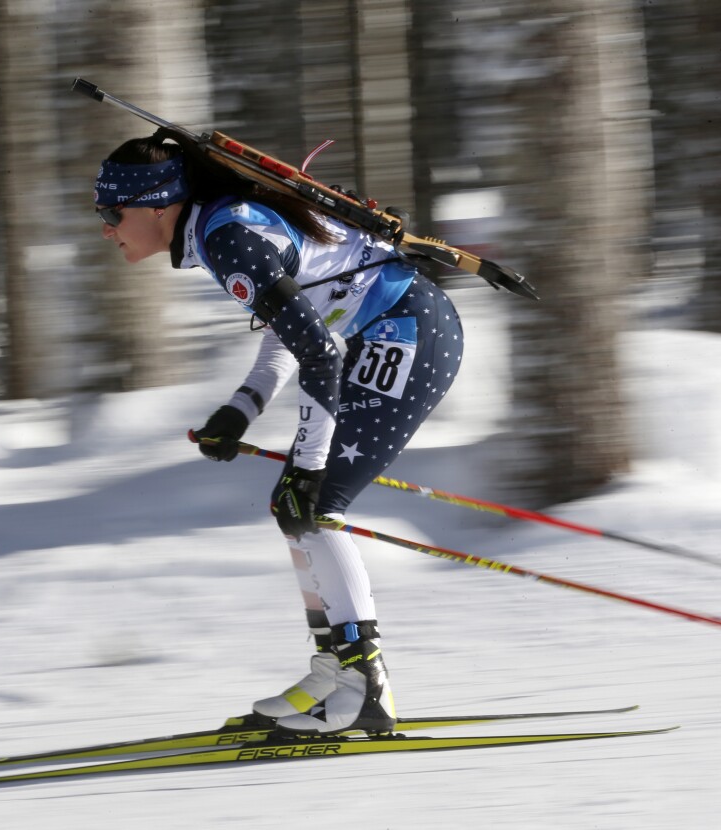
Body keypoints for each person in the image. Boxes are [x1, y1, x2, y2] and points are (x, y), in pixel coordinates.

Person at [93, 132, 463, 735]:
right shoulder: (220, 226)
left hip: (408, 330)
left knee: (313, 503)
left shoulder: (225, 236)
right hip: (391, 328)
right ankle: (335, 671)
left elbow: (318, 352)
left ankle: (362, 685)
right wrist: (242, 409)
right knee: (296, 505)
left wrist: (309, 462)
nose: (108, 229)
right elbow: (295, 325)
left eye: (113, 213)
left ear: (158, 205)